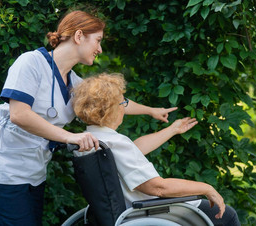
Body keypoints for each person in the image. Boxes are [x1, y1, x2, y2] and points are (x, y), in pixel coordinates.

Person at [0, 10, 177, 225]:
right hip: (3, 173)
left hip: (34, 175)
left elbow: (114, 102)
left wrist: (151, 110)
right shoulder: (30, 63)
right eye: (97, 40)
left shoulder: (74, 82)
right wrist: (70, 137)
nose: (100, 49)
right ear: (79, 36)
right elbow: (19, 114)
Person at [72, 73, 241, 226]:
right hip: (148, 213)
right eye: (123, 102)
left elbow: (135, 149)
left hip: (126, 213)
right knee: (228, 216)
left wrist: (173, 129)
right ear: (110, 109)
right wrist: (206, 188)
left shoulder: (91, 141)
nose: (124, 107)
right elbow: (158, 188)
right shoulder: (115, 143)